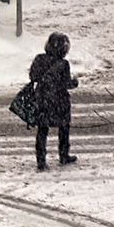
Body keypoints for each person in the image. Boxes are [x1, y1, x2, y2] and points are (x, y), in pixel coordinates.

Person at [29, 32, 79, 170]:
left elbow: (33, 76)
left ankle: (41, 160)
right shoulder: (63, 64)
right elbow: (66, 83)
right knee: (64, 128)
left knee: (42, 130)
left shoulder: (39, 59)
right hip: (59, 100)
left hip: (42, 98)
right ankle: (64, 155)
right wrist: (74, 82)